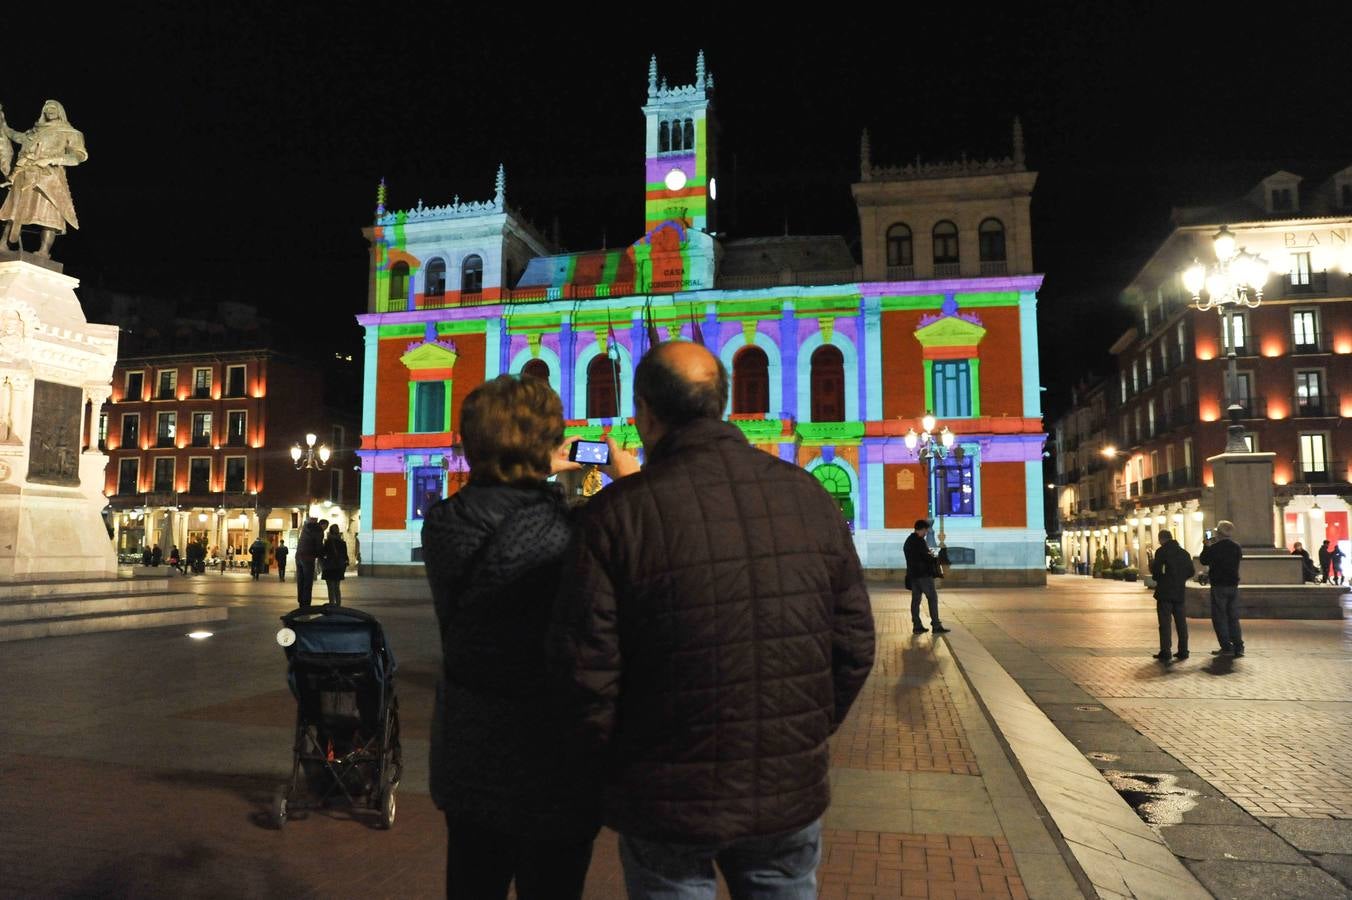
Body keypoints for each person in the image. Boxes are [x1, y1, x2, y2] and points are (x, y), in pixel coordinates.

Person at [551, 341, 875, 899]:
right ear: (721, 405)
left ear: (645, 414)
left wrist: (617, 760)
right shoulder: (809, 495)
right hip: (785, 785)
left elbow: (585, 668)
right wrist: (801, 733)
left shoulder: (616, 514)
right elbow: (854, 645)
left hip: (664, 791)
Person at [422, 374, 599, 899]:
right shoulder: (570, 530)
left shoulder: (444, 522)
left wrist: (543, 474)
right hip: (553, 754)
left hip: (468, 748)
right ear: (548, 443)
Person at [0, 100, 87, 257]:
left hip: (49, 178)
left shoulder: (70, 132)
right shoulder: (34, 132)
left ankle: (44, 251)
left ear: (60, 111)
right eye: (46, 108)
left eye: (53, 108)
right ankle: (3, 244)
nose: (49, 110)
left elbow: (78, 156)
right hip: (25, 174)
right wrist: (2, 122)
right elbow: (14, 135)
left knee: (49, 214)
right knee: (14, 210)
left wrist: (52, 160)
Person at [1199, 520, 1244, 657]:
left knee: (1220, 617)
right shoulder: (1236, 547)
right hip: (1233, 585)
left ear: (1218, 532)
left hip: (1219, 585)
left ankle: (1226, 646)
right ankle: (1238, 645)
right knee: (1233, 617)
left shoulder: (1215, 548)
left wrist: (1206, 545)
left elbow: (1204, 560)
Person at [1149, 529, 1194, 662]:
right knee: (1181, 622)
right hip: (1179, 591)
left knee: (1165, 623)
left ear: (1162, 539)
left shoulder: (1161, 552)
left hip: (1164, 592)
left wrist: (1161, 578)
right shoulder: (1184, 553)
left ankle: (1166, 651)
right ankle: (1183, 650)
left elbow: (1156, 571)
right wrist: (1180, 579)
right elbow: (1191, 571)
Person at [905, 519, 950, 635]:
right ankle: (936, 625)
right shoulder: (919, 541)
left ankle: (917, 625)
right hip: (923, 575)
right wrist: (934, 557)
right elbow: (926, 557)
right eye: (925, 531)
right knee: (932, 598)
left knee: (915, 600)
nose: (925, 533)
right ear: (922, 529)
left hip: (913, 576)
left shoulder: (908, 541)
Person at [294, 518, 324, 609]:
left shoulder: (304, 529)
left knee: (301, 580)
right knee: (308, 581)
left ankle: (301, 601)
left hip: (298, 556)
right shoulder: (318, 530)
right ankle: (306, 603)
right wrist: (321, 557)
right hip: (308, 557)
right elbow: (318, 545)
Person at [320, 525, 348, 606]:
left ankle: (332, 603)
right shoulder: (342, 543)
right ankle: (338, 604)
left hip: (329, 567)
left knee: (330, 587)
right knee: (337, 587)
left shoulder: (328, 542)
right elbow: (345, 556)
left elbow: (323, 553)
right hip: (339, 567)